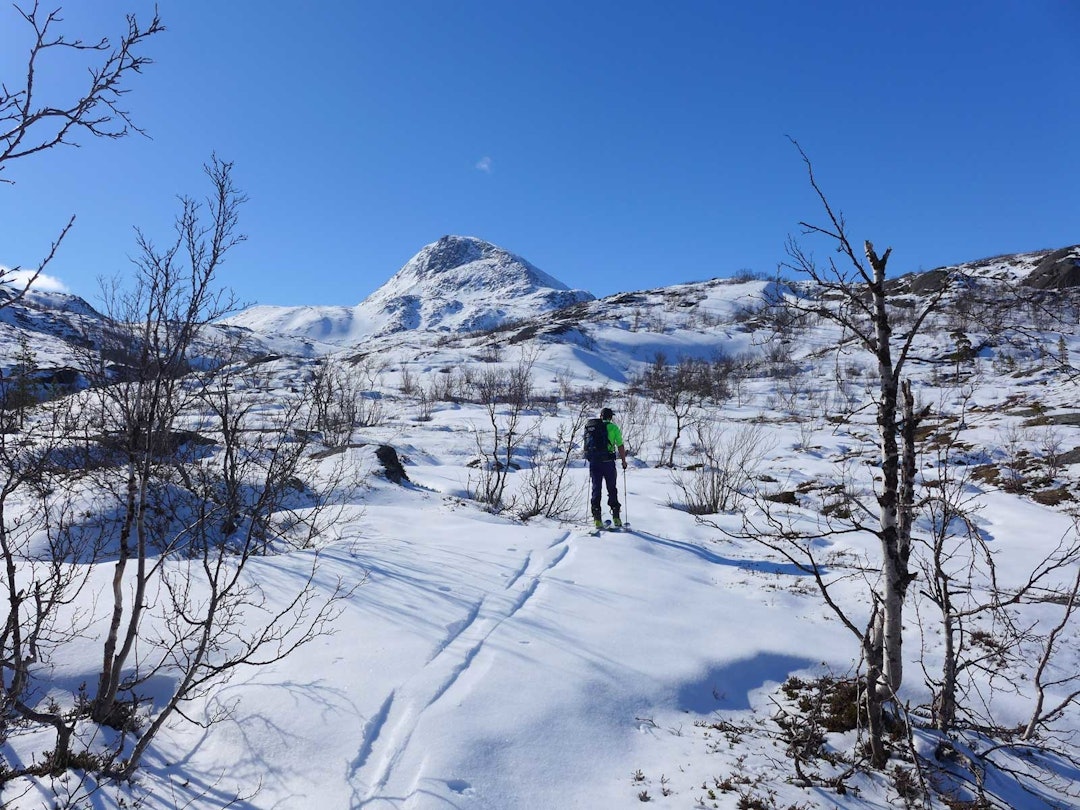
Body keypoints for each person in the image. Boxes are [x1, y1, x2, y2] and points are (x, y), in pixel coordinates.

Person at [587, 407, 628, 529]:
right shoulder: (613, 428)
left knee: (596, 489)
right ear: (611, 417)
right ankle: (616, 517)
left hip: (594, 462)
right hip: (608, 462)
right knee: (612, 488)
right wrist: (624, 461)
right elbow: (620, 445)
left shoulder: (592, 427)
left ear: (601, 416)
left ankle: (597, 519)